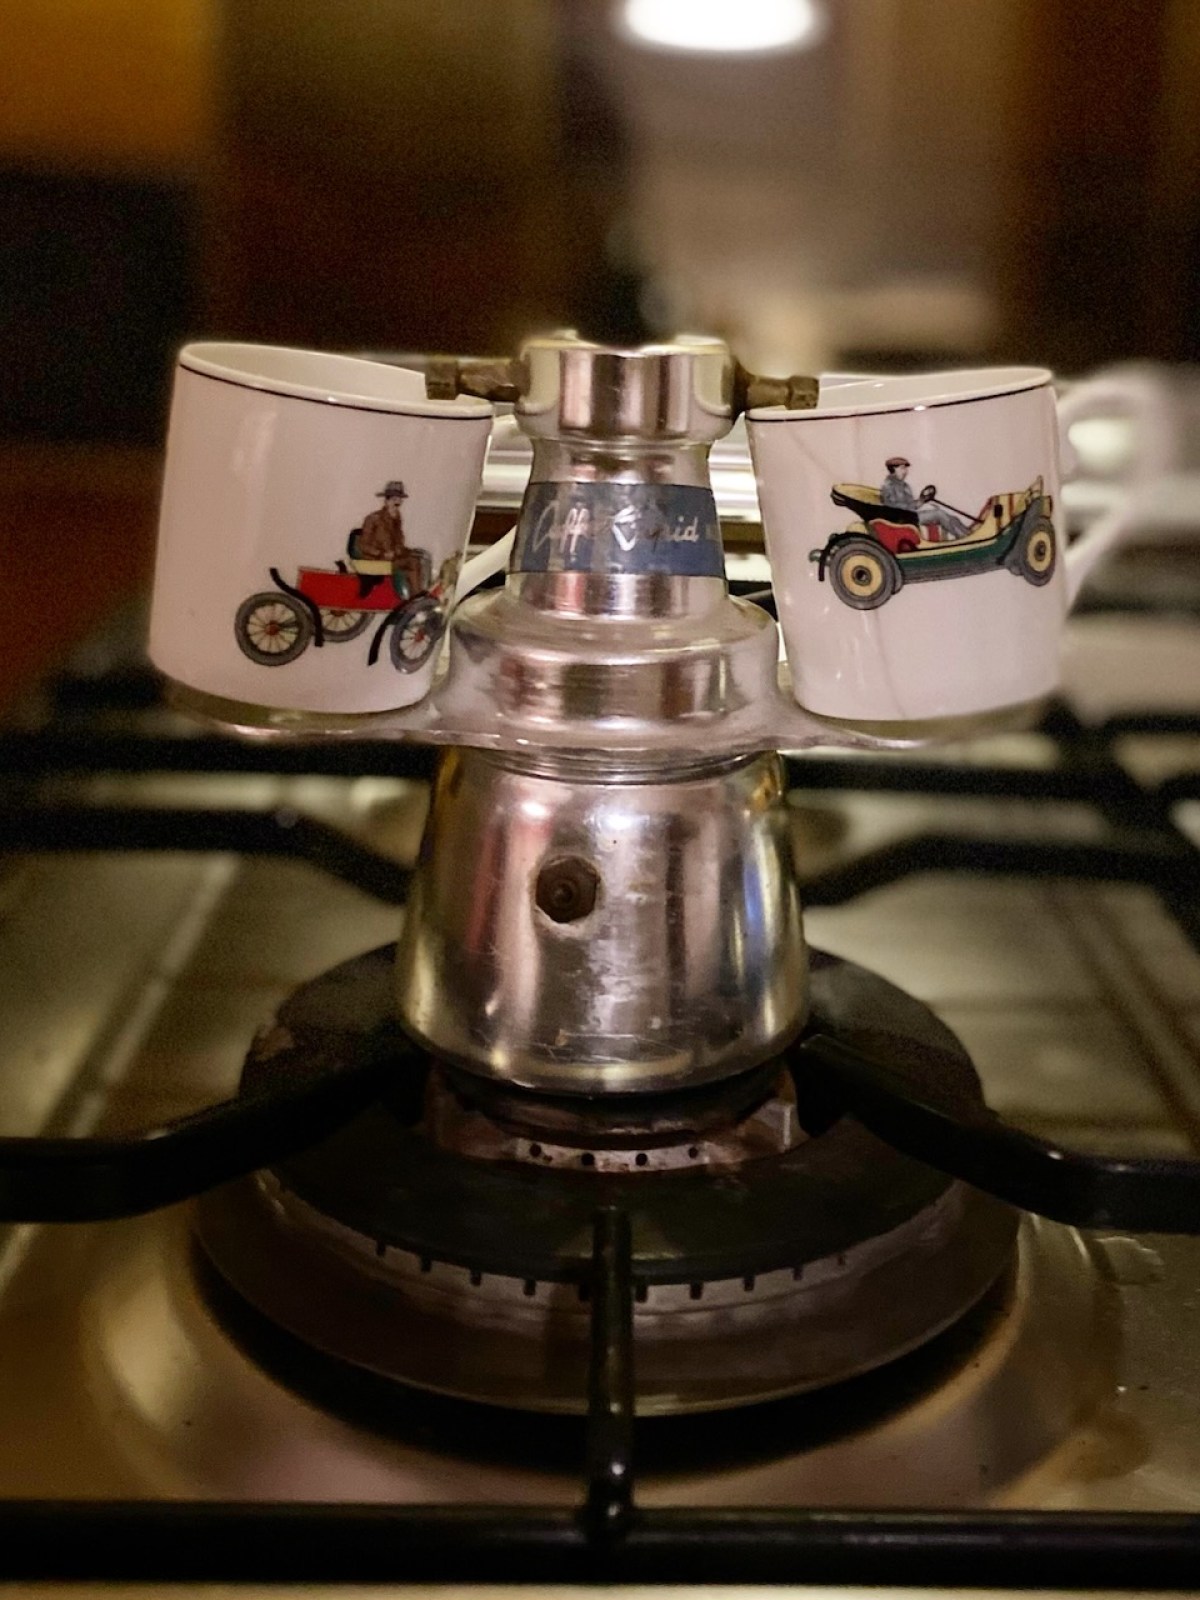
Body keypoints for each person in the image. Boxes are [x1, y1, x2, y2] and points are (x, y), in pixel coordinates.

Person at [354, 480, 426, 596]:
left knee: (421, 558)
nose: (397, 503)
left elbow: (399, 542)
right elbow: (363, 545)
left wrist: (404, 550)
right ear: (386, 501)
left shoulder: (397, 519)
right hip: (375, 560)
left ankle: (416, 594)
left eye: (399, 500)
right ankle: (417, 596)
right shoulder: (374, 518)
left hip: (392, 558)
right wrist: (381, 553)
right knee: (413, 562)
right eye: (394, 499)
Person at [880, 457, 969, 542]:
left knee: (952, 517)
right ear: (893, 469)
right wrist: (915, 505)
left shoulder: (904, 485)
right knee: (939, 514)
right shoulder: (888, 485)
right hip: (903, 518)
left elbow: (908, 503)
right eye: (902, 468)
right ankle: (963, 537)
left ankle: (967, 534)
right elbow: (892, 507)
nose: (905, 472)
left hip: (910, 514)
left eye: (906, 469)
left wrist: (921, 501)